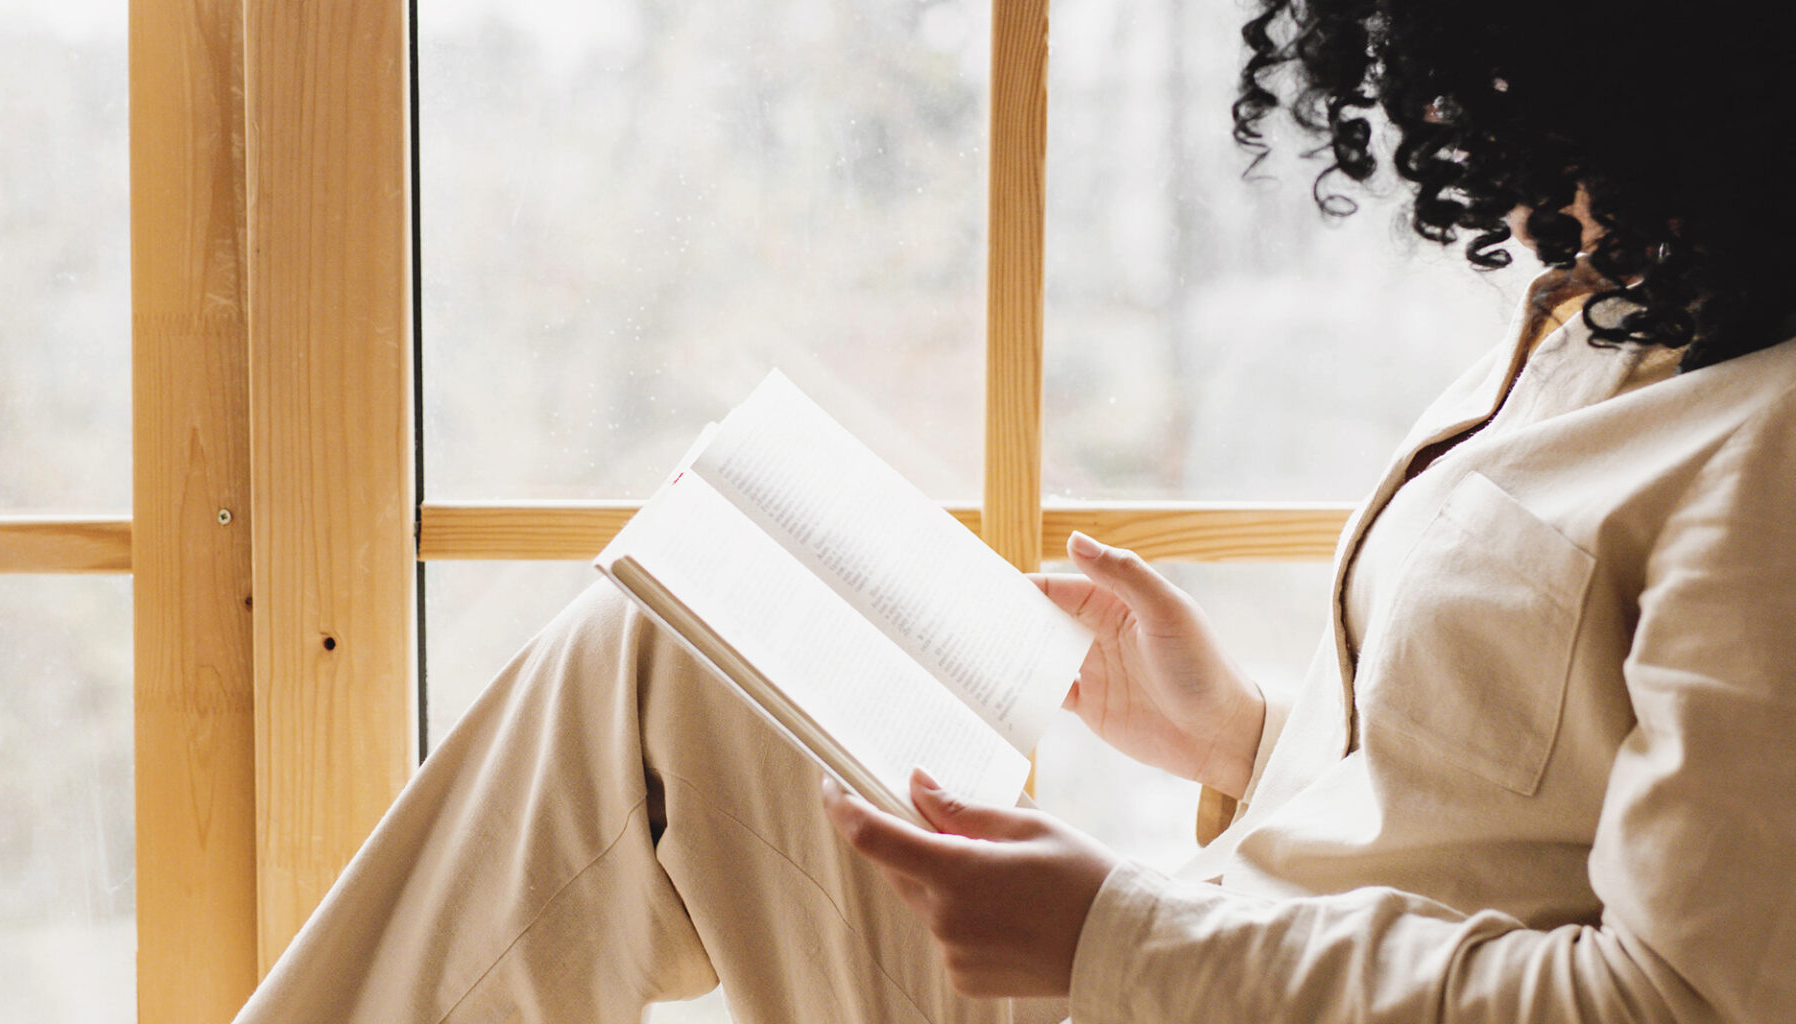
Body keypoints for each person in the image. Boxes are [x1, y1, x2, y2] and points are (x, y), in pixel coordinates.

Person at [232, 0, 1795, 1021]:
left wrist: (1113, 939)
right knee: (676, 661)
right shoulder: (1607, 314)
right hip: (1188, 958)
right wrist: (1236, 737)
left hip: (1170, 982)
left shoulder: (1766, 442)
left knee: (648, 682)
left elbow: (1680, 1004)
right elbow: (1489, 820)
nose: (1496, 141)